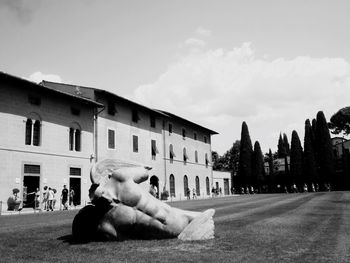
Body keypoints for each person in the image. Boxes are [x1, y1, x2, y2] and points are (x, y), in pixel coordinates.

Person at [73, 159, 215, 241]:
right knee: (187, 217)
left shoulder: (120, 178)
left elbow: (144, 172)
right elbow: (144, 172)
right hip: (177, 224)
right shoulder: (107, 223)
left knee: (188, 217)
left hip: (179, 221)